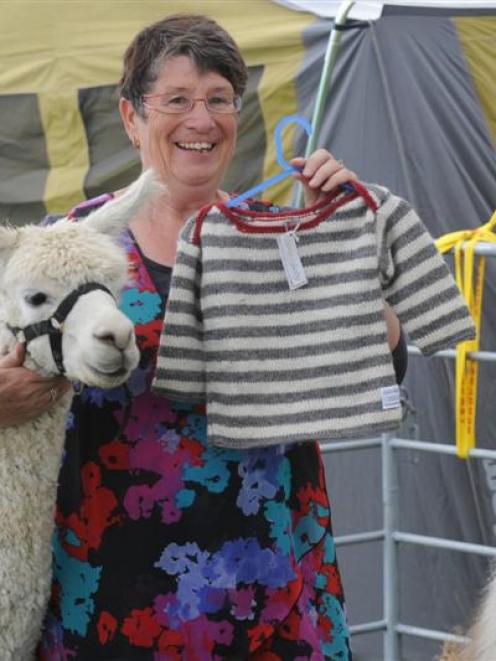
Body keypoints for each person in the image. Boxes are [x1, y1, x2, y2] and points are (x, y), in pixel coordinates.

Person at [33, 14, 406, 659]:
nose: (200, 120)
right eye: (176, 100)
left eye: (218, 100)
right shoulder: (68, 250)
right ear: (131, 117)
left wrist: (346, 240)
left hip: (268, 590)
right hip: (112, 597)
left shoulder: (284, 238)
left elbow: (379, 369)